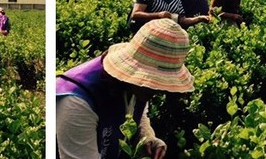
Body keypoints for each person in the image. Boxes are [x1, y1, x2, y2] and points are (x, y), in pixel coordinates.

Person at [56, 19, 194, 159]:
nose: (158, 90)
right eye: (153, 81)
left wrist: (146, 136)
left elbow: (137, 112)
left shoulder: (137, 87)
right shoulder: (76, 101)